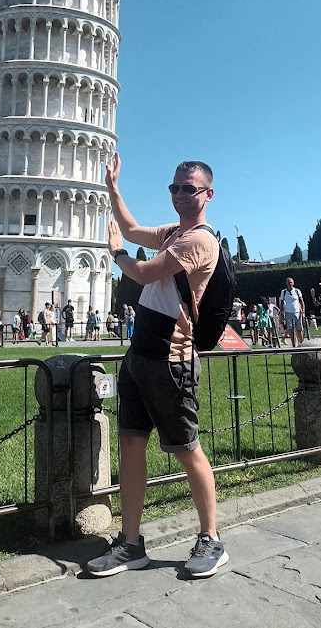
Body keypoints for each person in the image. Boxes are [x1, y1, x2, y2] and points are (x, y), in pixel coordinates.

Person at [86, 154, 228, 580]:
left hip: (171, 360)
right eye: (174, 187)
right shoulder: (171, 232)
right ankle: (130, 543)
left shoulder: (199, 241)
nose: (180, 194)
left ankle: (211, 539)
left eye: (189, 188)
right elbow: (132, 229)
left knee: (186, 449)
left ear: (208, 194)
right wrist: (113, 188)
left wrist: (117, 254)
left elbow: (145, 272)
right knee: (131, 444)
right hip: (140, 355)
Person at [279, 278, 305, 346]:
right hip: (288, 312)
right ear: (286, 283)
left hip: (297, 312)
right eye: (288, 282)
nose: (290, 284)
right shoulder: (284, 292)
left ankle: (301, 343)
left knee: (299, 329)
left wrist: (303, 312)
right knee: (290, 329)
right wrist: (282, 313)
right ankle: (294, 344)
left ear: (293, 283)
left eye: (291, 282)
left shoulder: (297, 291)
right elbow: (282, 303)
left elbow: (302, 301)